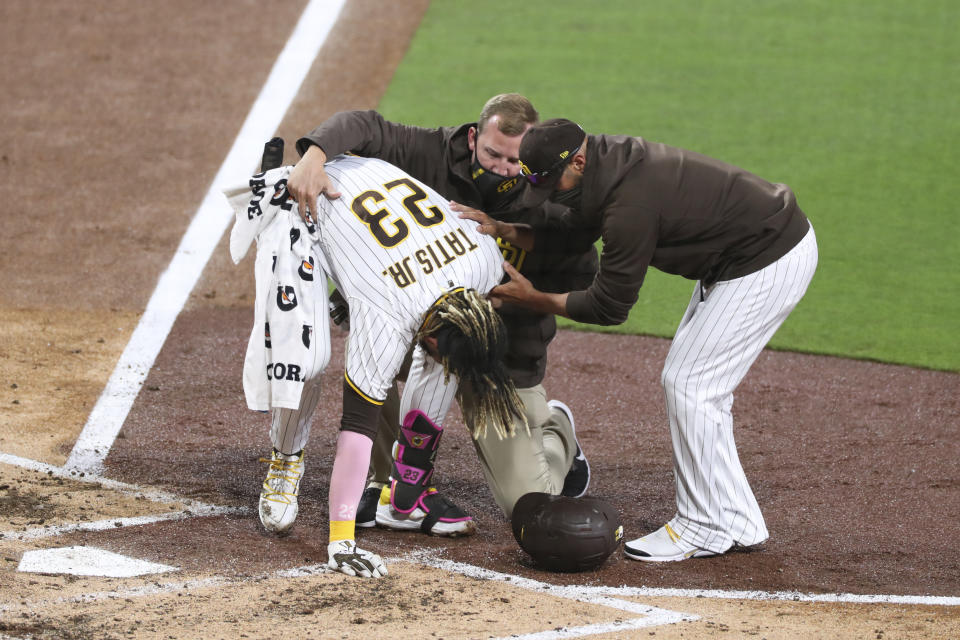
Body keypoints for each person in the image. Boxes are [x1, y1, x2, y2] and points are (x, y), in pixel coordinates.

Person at [461, 118, 818, 562]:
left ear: (578, 159)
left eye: (555, 182)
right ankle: (736, 519)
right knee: (698, 389)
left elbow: (610, 307)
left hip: (767, 258)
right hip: (748, 252)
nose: (552, 193)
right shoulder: (604, 163)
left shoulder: (630, 205)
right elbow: (573, 233)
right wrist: (504, 229)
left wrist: (531, 297)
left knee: (690, 386)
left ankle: (703, 525)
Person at [275, 94, 597, 534]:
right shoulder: (431, 154)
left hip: (499, 357)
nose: (504, 167)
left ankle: (557, 429)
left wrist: (533, 297)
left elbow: (587, 276)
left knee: (527, 501)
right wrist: (315, 156)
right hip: (430, 331)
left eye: (514, 160)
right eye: (493, 154)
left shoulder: (546, 194)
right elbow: (364, 124)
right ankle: (392, 483)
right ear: (472, 138)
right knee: (372, 347)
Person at [225, 154, 524, 577]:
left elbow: (470, 326)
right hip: (302, 201)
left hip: (369, 205)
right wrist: (341, 541)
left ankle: (406, 491)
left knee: (442, 365)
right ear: (432, 337)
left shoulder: (484, 259)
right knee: (306, 360)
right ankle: (286, 459)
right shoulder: (386, 320)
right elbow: (357, 430)